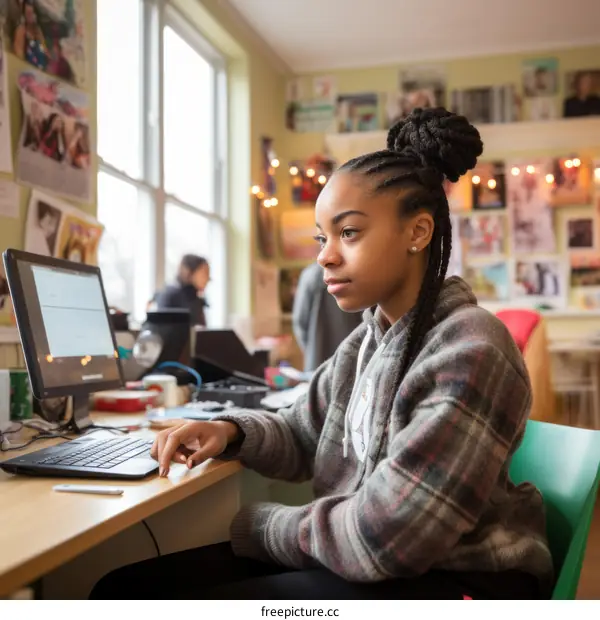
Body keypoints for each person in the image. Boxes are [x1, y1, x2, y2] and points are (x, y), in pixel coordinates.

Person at [91, 108, 554, 600]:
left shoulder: (471, 347)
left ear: (418, 233)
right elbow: (300, 431)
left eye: (348, 233)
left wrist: (264, 526)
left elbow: (389, 538)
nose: (324, 255)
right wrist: (228, 430)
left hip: (458, 581)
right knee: (122, 587)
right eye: (322, 237)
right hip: (375, 560)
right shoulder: (366, 343)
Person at [293, 261, 362, 372]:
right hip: (354, 360)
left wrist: (311, 349)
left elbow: (300, 323)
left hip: (317, 361)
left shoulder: (309, 275)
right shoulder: (358, 272)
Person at [154, 254, 210, 327]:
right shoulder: (170, 295)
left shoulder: (196, 299)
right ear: (189, 272)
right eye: (204, 273)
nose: (208, 279)